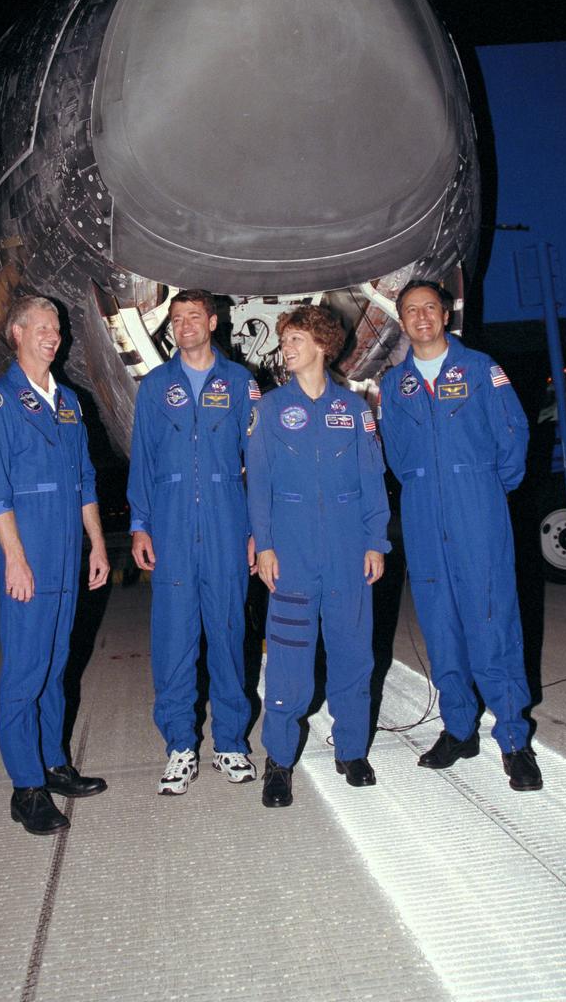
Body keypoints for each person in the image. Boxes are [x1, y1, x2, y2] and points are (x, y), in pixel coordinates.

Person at [378, 279, 542, 791]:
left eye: (430, 307)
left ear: (445, 315)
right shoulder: (395, 383)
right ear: (401, 321)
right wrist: (428, 484)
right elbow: (398, 455)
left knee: (492, 620)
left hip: (478, 507)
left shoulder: (478, 369)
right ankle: (458, 729)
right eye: (411, 310)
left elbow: (513, 436)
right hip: (423, 510)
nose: (421, 316)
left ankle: (514, 739)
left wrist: (485, 485)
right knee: (440, 624)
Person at [0, 296, 110, 835]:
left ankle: (54, 764)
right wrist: (14, 560)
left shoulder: (69, 403)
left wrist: (97, 545)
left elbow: (85, 481)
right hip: (28, 554)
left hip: (65, 554)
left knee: (56, 667)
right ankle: (25, 787)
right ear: (17, 334)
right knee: (25, 674)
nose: (53, 336)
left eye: (57, 328)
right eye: (42, 328)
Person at [247, 305, 390, 808]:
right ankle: (279, 760)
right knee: (288, 661)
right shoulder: (267, 410)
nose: (286, 347)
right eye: (284, 340)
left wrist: (377, 542)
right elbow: (259, 484)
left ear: (323, 345)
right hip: (293, 553)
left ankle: (351, 750)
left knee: (353, 655)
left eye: (295, 339)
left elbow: (373, 479)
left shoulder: (353, 410)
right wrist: (263, 545)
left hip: (350, 551)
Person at [128, 289, 260, 795]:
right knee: (173, 641)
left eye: (193, 317)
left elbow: (258, 465)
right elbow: (143, 459)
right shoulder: (156, 387)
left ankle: (230, 744)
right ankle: (180, 747)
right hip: (173, 526)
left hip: (228, 525)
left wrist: (256, 533)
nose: (184, 325)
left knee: (228, 637)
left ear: (213, 322)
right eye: (176, 318)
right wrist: (141, 523)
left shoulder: (241, 382)